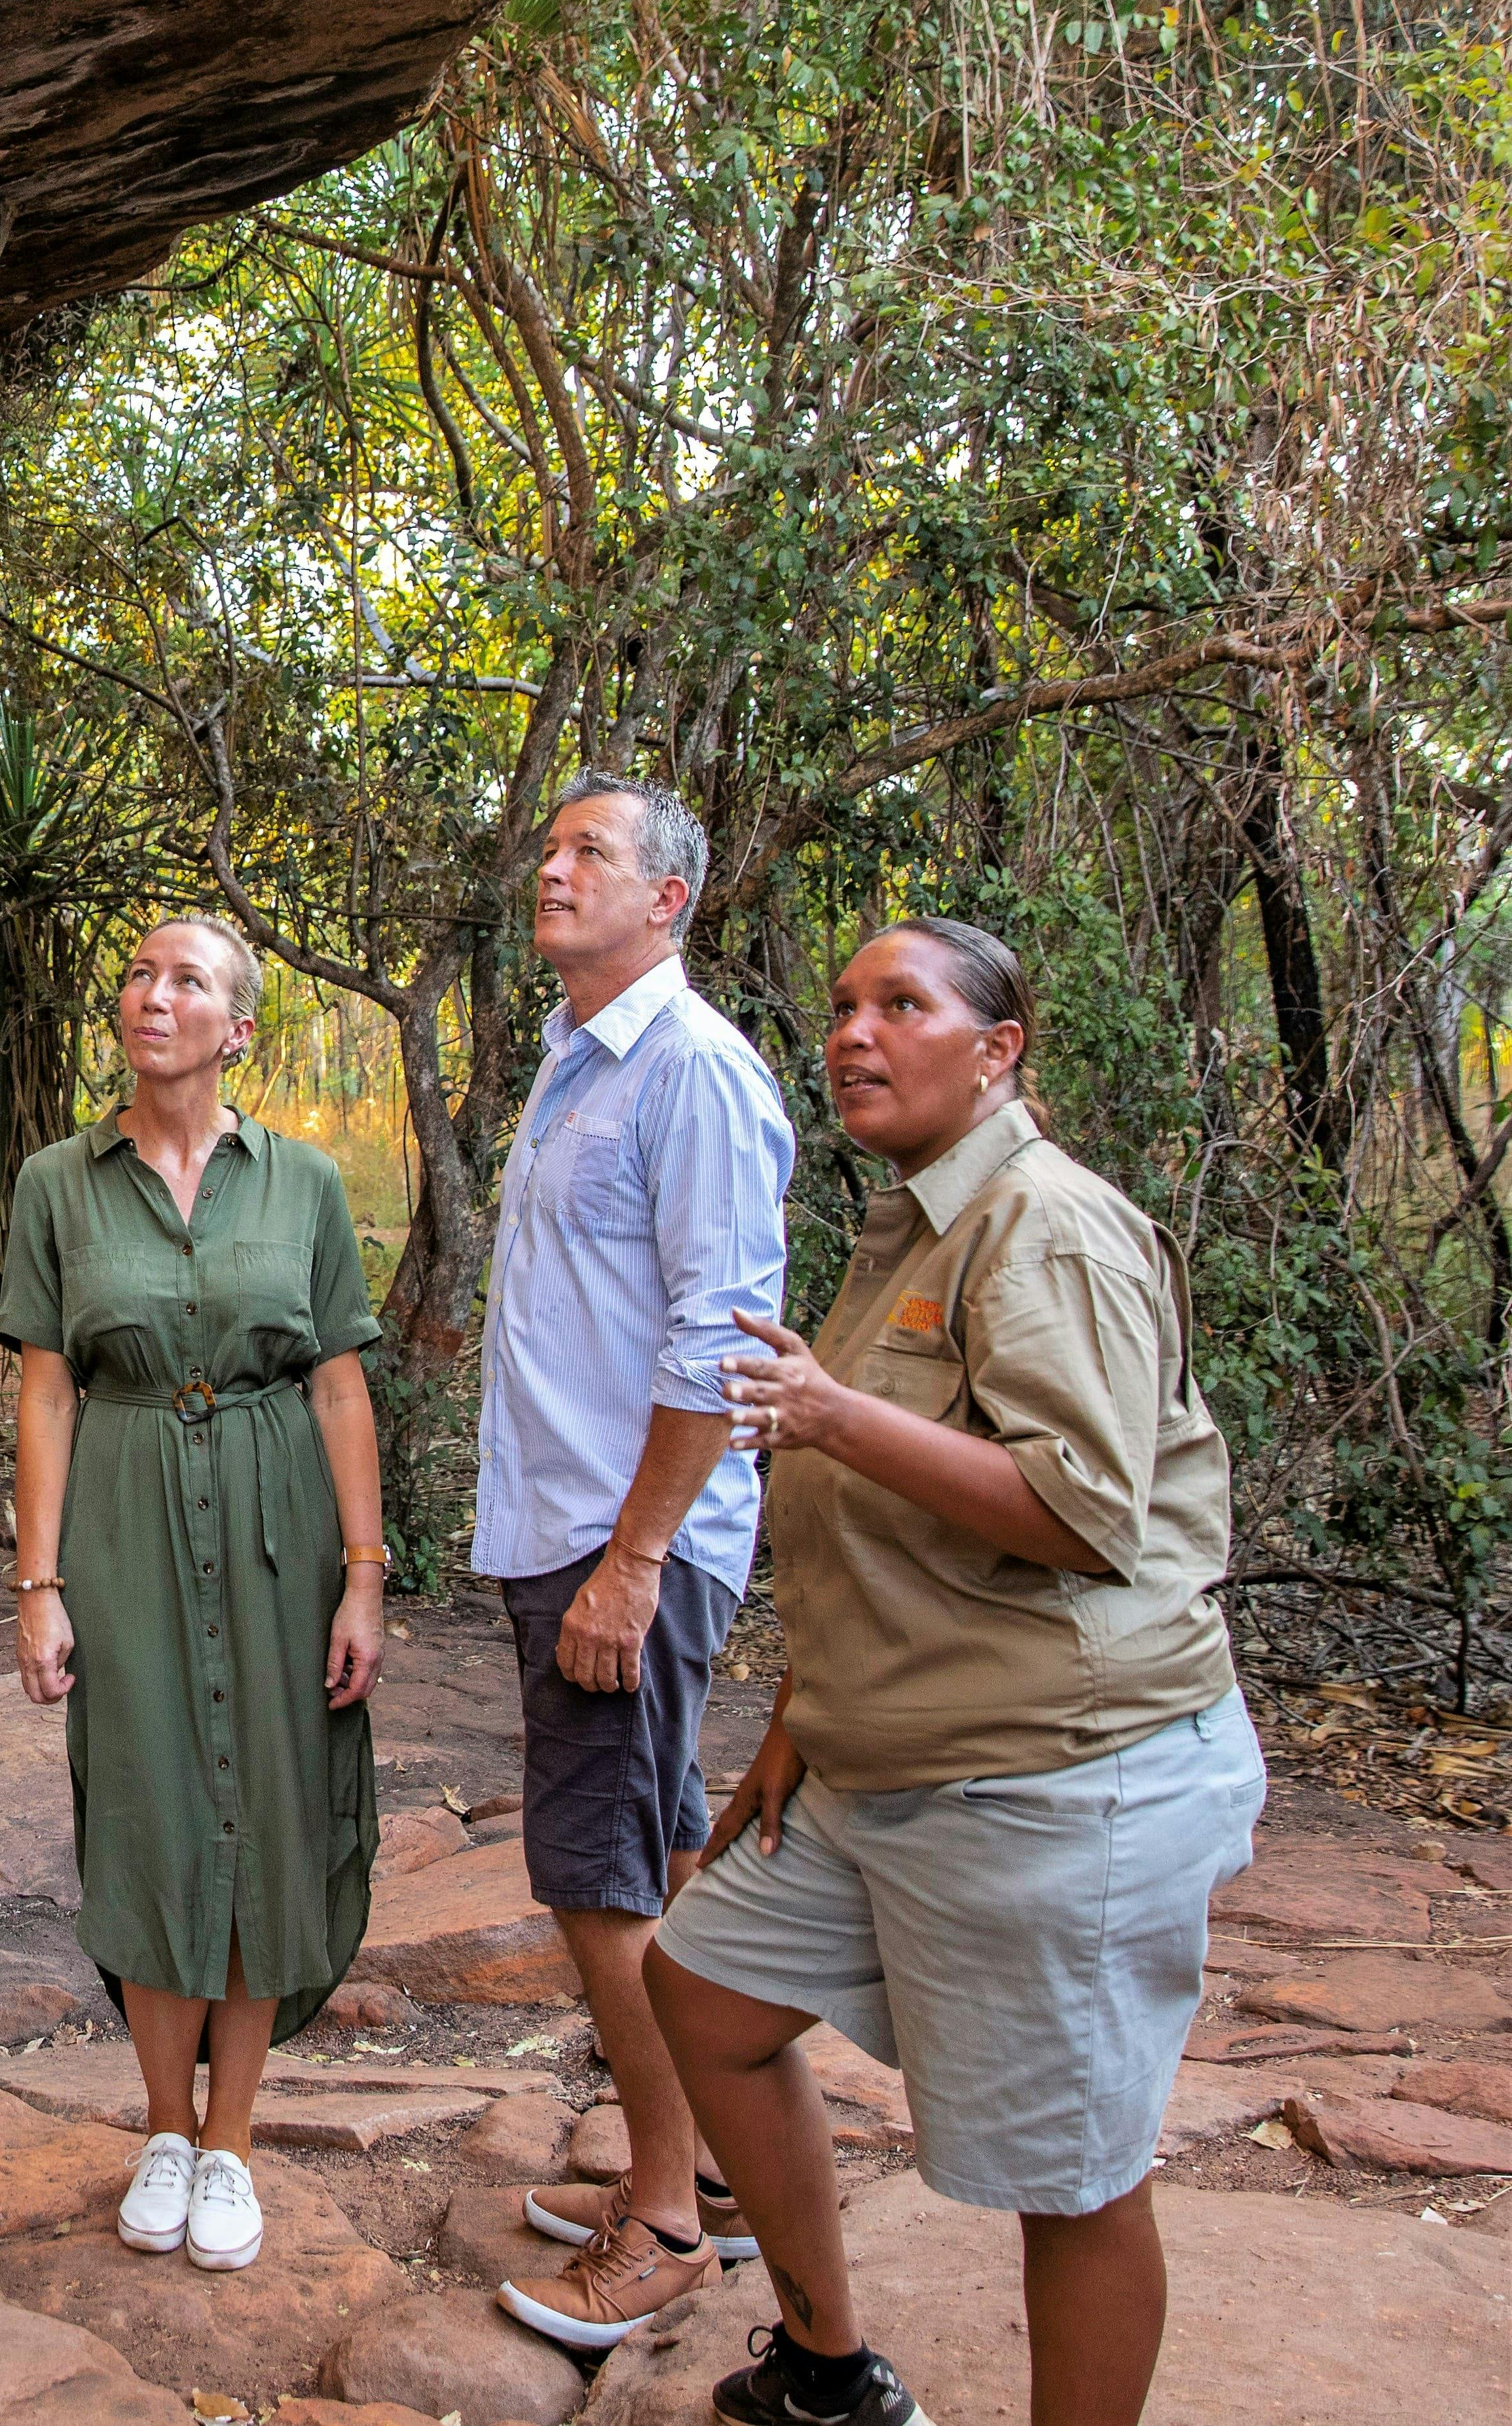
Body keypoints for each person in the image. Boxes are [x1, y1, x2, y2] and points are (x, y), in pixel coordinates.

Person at [648, 918, 1263, 2426]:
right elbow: (877, 1531)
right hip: (880, 1754)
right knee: (704, 1988)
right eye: (842, 1002)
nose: (853, 1031)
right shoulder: (912, 1225)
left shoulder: (1042, 1227)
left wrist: (831, 1414)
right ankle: (827, 2370)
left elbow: (1079, 1510)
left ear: (996, 1052)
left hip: (1051, 1775)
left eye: (899, 1006)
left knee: (1070, 2178)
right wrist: (798, 1718)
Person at [2, 915, 392, 2277]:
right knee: (150, 1804)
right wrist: (37, 1583)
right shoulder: (58, 1180)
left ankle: (231, 2139)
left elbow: (339, 1384)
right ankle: (161, 2126)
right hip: (120, 1522)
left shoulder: (303, 1183)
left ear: (237, 1030)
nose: (148, 994)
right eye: (133, 972)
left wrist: (363, 1574)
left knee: (267, 1812)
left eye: (186, 981)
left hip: (281, 1514)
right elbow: (44, 1386)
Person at [477, 774, 798, 2353]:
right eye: (549, 847)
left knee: (593, 1879)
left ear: (667, 897)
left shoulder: (693, 1074)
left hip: (624, 1544)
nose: (552, 868)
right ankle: (726, 2178)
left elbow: (718, 1346)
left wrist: (633, 1560)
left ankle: (663, 2218)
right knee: (660, 1853)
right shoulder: (572, 1060)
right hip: (570, 1525)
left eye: (586, 852)